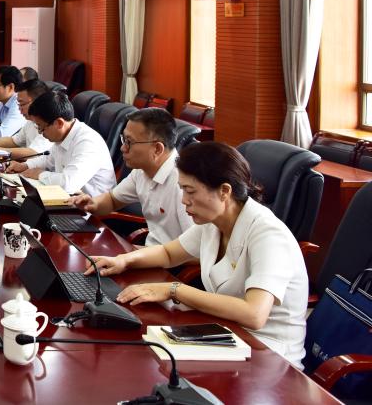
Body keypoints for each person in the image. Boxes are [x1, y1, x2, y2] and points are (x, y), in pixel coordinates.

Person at [86, 142, 308, 368]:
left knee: (158, 364)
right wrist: (123, 260)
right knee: (147, 350)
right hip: (226, 332)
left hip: (269, 355)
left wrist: (174, 290)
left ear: (224, 191)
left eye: (190, 191)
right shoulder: (214, 221)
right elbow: (168, 253)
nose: (183, 200)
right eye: (182, 189)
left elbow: (254, 314)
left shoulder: (268, 234)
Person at [70, 108, 193, 246]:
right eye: (123, 139)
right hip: (151, 252)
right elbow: (112, 200)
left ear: (157, 149)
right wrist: (92, 204)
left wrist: (133, 255)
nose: (123, 148)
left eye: (129, 142)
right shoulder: (141, 172)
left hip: (171, 258)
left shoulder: (184, 185)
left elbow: (195, 249)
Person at [6, 90, 115, 197]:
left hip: (90, 205)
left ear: (59, 123)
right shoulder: (63, 135)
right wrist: (25, 166)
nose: (40, 133)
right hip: (68, 198)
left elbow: (68, 184)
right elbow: (48, 160)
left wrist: (39, 174)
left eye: (41, 128)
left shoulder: (88, 142)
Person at [0, 78, 51, 156]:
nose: (19, 109)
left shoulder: (49, 122)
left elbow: (32, 152)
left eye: (22, 104)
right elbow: (14, 141)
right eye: (18, 104)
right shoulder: (30, 121)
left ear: (37, 102)